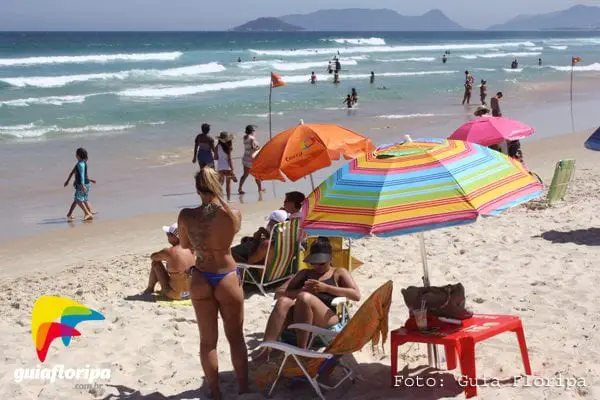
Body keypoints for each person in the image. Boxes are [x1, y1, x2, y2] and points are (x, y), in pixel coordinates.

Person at [177, 168, 248, 399]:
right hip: (226, 275)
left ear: (197, 188)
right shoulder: (232, 213)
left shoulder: (186, 215)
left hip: (201, 276)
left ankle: (215, 391)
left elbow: (186, 246)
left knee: (207, 341)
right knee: (236, 337)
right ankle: (243, 388)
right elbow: (232, 235)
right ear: (218, 185)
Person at [251, 238, 361, 356]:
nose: (317, 267)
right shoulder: (304, 273)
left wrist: (326, 288)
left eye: (321, 263)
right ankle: (266, 349)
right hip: (301, 317)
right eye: (313, 263)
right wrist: (301, 290)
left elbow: (356, 295)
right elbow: (278, 293)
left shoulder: (338, 272)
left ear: (331, 259)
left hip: (328, 317)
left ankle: (301, 350)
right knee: (283, 301)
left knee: (304, 297)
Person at [143, 223, 195, 300]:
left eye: (168, 234)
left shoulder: (169, 252)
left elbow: (153, 257)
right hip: (192, 293)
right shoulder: (193, 249)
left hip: (176, 295)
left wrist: (165, 255)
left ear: (174, 237)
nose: (167, 236)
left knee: (156, 263)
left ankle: (150, 288)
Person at [64, 147, 95, 221]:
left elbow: (81, 175)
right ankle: (70, 214)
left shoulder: (80, 164)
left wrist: (82, 184)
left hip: (82, 185)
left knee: (78, 200)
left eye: (76, 154)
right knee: (81, 199)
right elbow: (74, 173)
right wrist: (68, 181)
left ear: (78, 155)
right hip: (85, 184)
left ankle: (87, 213)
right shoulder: (82, 163)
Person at [238, 125, 263, 195]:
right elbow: (253, 147)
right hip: (252, 159)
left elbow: (249, 147)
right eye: (253, 131)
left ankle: (240, 188)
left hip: (245, 158)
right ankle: (260, 188)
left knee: (245, 175)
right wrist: (259, 148)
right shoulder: (252, 138)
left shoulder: (245, 138)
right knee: (257, 174)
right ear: (252, 131)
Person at [215, 131, 237, 202]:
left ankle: (219, 198)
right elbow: (229, 159)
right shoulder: (228, 148)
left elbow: (215, 157)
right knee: (228, 184)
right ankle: (228, 199)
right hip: (227, 167)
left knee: (220, 183)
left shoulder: (217, 147)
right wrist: (232, 168)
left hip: (220, 167)